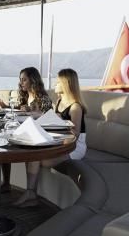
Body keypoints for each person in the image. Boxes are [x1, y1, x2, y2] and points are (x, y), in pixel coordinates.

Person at [13, 68, 87, 207]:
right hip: (60, 142)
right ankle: (31, 194)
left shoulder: (76, 107)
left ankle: (31, 194)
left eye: (58, 81)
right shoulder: (59, 102)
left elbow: (75, 134)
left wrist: (57, 123)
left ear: (66, 84)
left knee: (36, 158)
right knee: (31, 154)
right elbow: (52, 121)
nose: (55, 84)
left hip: (74, 147)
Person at [0, 67, 53, 193]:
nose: (21, 83)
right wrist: (3, 105)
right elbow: (17, 110)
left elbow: (48, 119)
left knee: (8, 144)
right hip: (24, 132)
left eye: (24, 80)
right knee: (5, 145)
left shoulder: (43, 98)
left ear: (33, 80)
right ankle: (6, 183)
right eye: (20, 80)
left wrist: (33, 112)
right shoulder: (26, 96)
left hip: (36, 136)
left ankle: (26, 192)